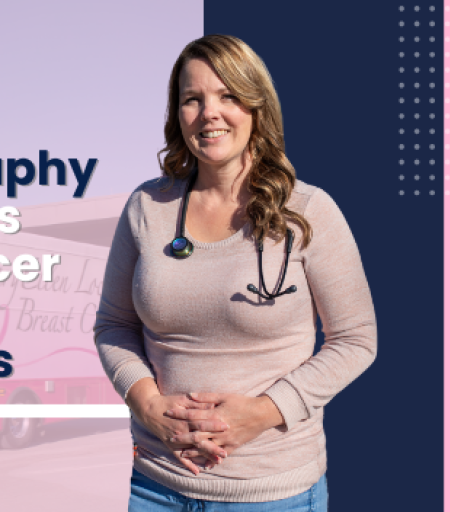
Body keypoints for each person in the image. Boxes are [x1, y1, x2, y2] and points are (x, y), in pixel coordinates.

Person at [93, 34, 377, 511]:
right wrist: (145, 403)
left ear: (256, 107)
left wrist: (264, 413)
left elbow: (357, 339)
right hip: (155, 487)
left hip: (272, 493)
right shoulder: (147, 208)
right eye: (192, 99)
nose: (209, 113)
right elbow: (113, 326)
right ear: (176, 113)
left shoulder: (307, 212)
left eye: (228, 96)